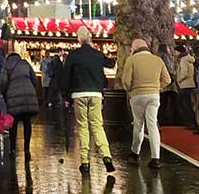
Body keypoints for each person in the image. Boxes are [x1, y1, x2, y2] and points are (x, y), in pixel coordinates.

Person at [61, 27, 116, 175]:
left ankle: (85, 161)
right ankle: (106, 155)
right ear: (90, 38)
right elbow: (110, 63)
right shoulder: (97, 55)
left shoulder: (73, 55)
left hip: (79, 93)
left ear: (78, 39)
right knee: (97, 126)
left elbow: (66, 76)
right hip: (96, 93)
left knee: (83, 127)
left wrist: (66, 97)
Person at [121, 38, 171, 168]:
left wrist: (130, 91)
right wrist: (157, 87)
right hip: (154, 95)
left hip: (137, 95)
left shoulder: (131, 60)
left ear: (135, 48)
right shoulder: (158, 60)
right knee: (153, 124)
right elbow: (167, 79)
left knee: (139, 124)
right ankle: (156, 158)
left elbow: (126, 81)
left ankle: (135, 153)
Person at [0, 50, 39, 161]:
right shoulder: (25, 63)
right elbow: (34, 80)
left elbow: (2, 82)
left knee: (13, 124)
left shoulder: (6, 66)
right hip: (28, 96)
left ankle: (12, 149)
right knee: (27, 123)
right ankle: (27, 149)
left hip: (13, 97)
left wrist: (4, 93)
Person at [175, 44, 197, 129]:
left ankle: (191, 123)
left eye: (175, 51)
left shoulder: (184, 60)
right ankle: (192, 122)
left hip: (185, 84)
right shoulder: (188, 58)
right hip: (189, 84)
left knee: (185, 104)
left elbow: (184, 72)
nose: (175, 53)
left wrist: (178, 80)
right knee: (187, 103)